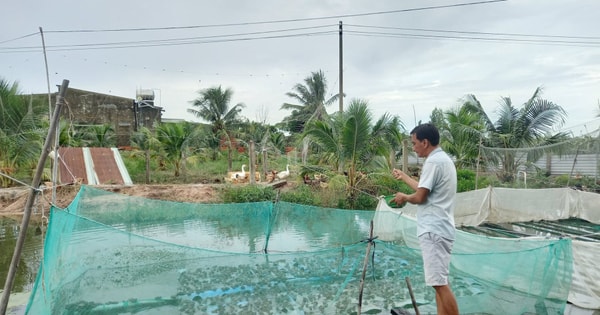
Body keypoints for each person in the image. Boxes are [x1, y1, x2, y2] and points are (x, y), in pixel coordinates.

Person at [391, 123, 459, 315]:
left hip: (433, 230)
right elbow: (423, 188)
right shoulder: (443, 160)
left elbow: (420, 197)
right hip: (441, 228)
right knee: (439, 282)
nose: (413, 148)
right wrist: (404, 176)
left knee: (440, 285)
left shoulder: (433, 162)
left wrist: (404, 198)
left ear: (425, 142)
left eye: (414, 143)